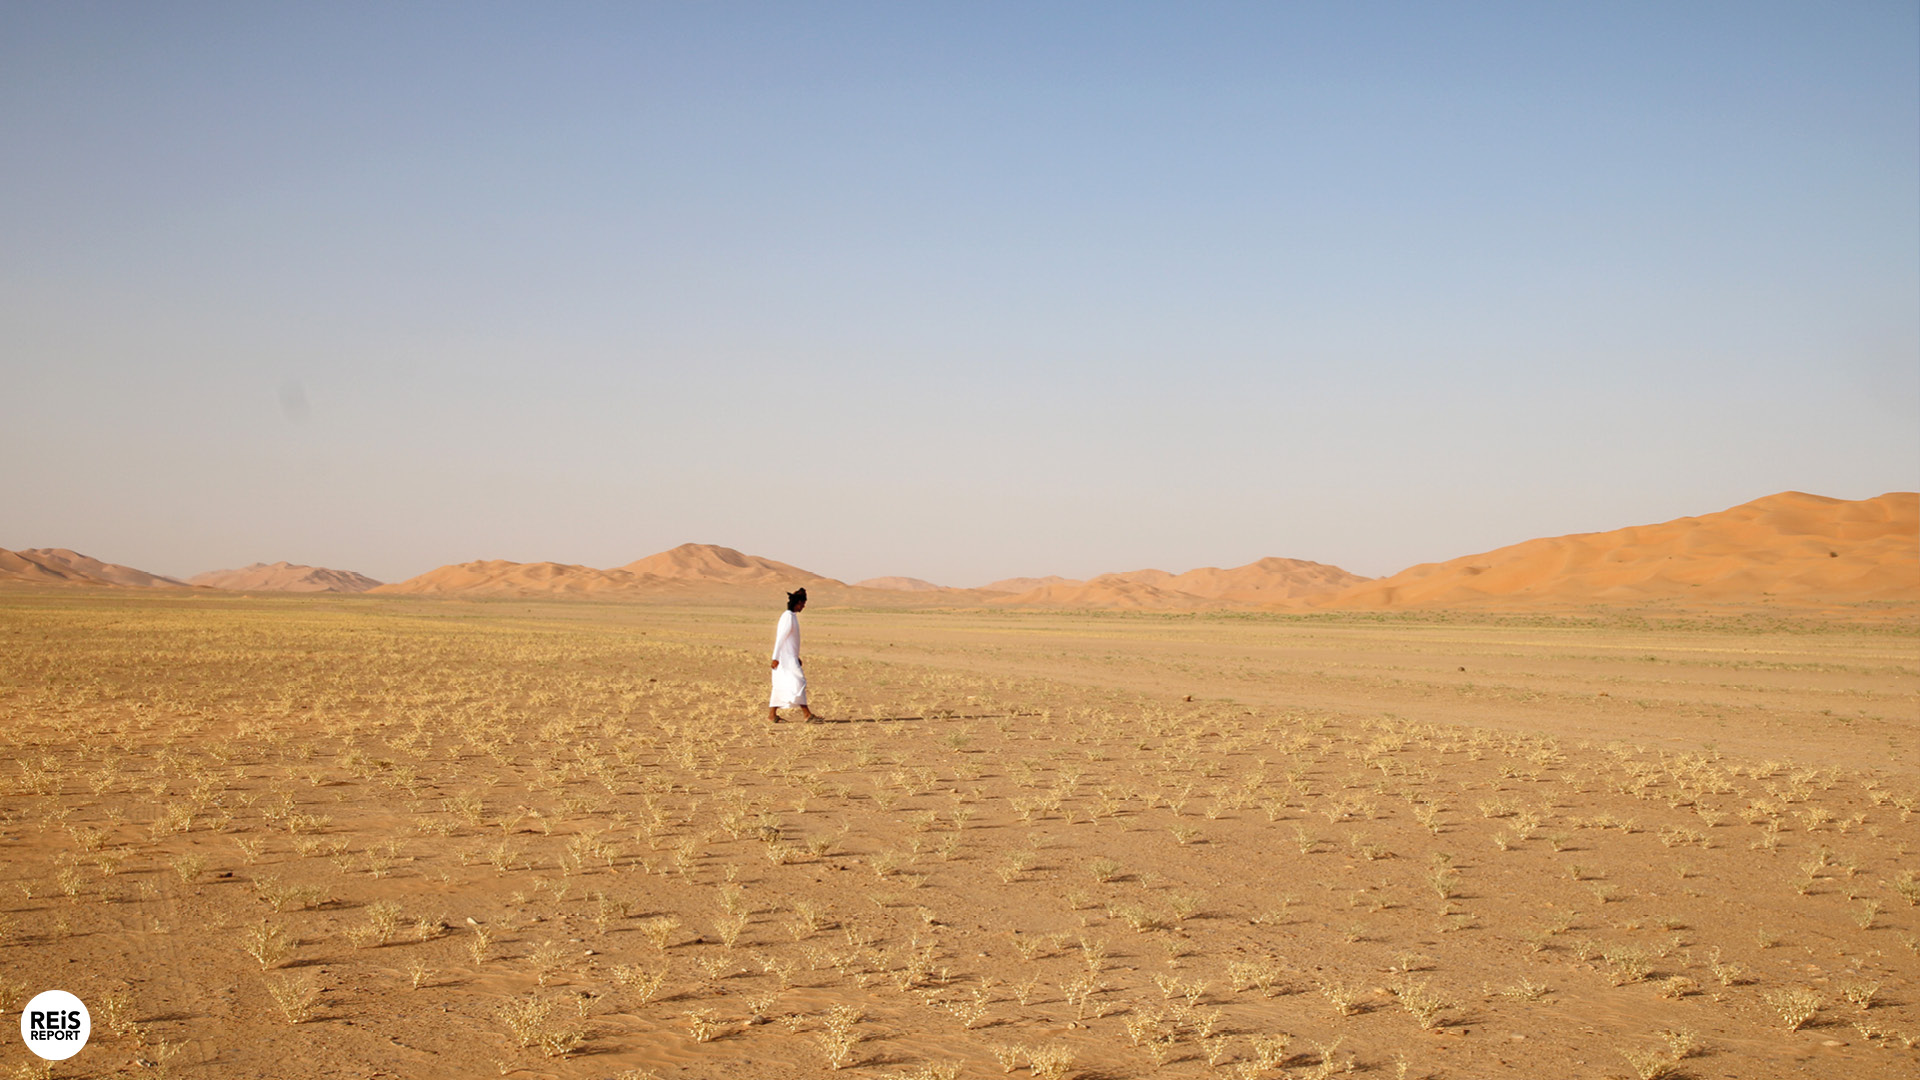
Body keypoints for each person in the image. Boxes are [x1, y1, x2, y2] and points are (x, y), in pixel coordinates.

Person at [768, 588, 819, 722]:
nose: (803, 606)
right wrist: (775, 657)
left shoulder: (791, 616)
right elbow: (780, 638)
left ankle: (772, 715)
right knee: (799, 682)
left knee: (782, 684)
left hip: (789, 657)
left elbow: (790, 641)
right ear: (797, 603)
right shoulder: (788, 617)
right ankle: (807, 714)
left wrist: (796, 656)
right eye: (802, 604)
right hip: (785, 659)